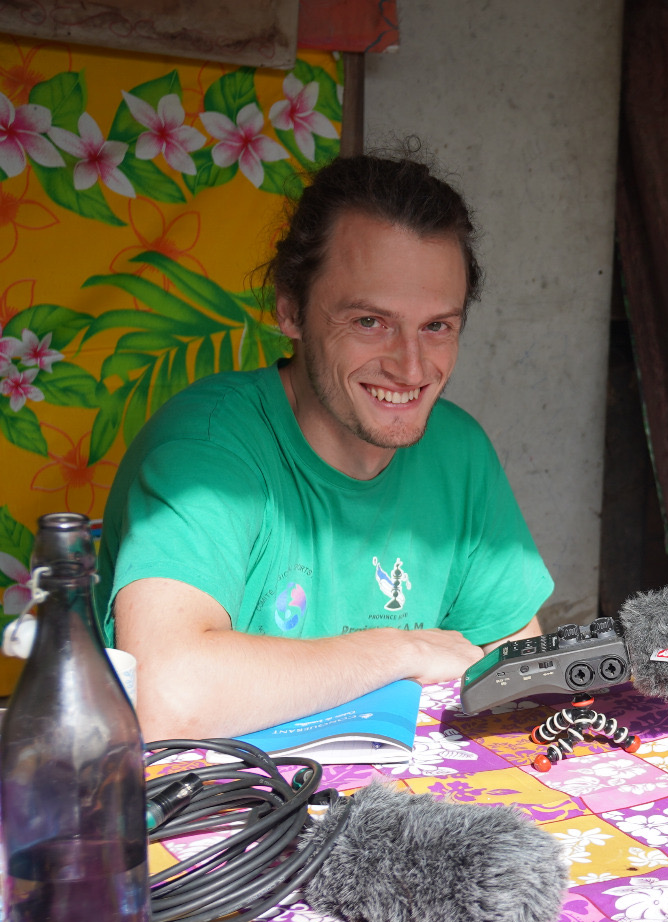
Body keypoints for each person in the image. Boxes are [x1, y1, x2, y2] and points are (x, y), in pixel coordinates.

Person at [96, 151, 553, 741]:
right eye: (370, 322)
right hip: (226, 819)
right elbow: (167, 697)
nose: (411, 368)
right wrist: (400, 649)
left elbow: (526, 676)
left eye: (437, 326)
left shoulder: (458, 451)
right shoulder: (208, 453)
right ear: (290, 307)